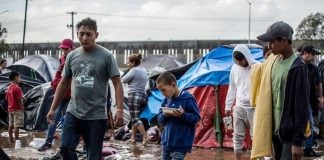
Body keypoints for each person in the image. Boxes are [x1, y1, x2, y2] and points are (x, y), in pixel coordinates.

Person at [46, 17, 124, 160]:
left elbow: (117, 83)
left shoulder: (106, 56)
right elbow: (63, 83)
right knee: (65, 148)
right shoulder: (72, 56)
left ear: (96, 35)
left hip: (96, 116)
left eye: (89, 34)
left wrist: (119, 110)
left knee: (93, 156)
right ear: (77, 34)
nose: (84, 37)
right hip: (73, 112)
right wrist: (53, 108)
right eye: (81, 34)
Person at [251, 21, 309, 160]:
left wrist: (297, 142)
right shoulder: (272, 62)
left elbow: (302, 107)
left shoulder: (298, 67)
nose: (269, 46)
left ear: (284, 40)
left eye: (272, 42)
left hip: (289, 133)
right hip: (274, 131)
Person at [38, 38, 74, 152]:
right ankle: (48, 142)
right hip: (62, 94)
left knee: (69, 120)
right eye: (62, 49)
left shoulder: (74, 59)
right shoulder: (62, 59)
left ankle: (67, 144)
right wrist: (55, 86)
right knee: (54, 118)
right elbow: (59, 77)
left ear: (71, 49)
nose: (64, 51)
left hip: (72, 95)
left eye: (66, 49)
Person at [157, 72, 200, 160]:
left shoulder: (187, 98)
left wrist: (183, 115)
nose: (162, 93)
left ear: (173, 85)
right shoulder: (165, 101)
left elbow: (196, 117)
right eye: (160, 91)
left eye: (164, 90)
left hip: (180, 144)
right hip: (166, 143)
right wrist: (165, 115)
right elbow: (160, 120)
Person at [225, 44, 257, 160]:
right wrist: (228, 106)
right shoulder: (234, 68)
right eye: (236, 60)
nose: (239, 63)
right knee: (237, 136)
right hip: (239, 107)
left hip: (254, 107)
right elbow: (232, 88)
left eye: (241, 60)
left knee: (256, 136)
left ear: (246, 56)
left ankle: (257, 157)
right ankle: (238, 157)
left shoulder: (257, 67)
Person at [300, 45, 322, 157]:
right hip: (299, 101)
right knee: (307, 124)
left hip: (310, 101)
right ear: (305, 53)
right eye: (312, 54)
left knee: (310, 124)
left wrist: (320, 97)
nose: (313, 57)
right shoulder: (298, 65)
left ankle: (308, 147)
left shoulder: (313, 67)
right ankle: (305, 147)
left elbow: (319, 83)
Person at [121, 53, 148, 145]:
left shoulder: (134, 70)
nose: (127, 64)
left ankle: (145, 136)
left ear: (133, 62)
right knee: (135, 118)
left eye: (128, 62)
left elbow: (123, 80)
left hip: (134, 96)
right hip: (143, 96)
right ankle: (133, 138)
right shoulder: (144, 70)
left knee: (135, 118)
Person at [6, 71, 24, 143]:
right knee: (17, 125)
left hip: (10, 109)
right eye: (19, 78)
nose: (20, 79)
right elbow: (19, 99)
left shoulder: (9, 87)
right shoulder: (17, 88)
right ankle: (17, 140)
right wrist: (22, 107)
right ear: (16, 78)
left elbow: (6, 98)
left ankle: (11, 138)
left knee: (11, 125)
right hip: (17, 109)